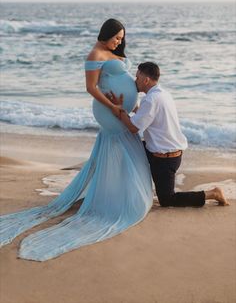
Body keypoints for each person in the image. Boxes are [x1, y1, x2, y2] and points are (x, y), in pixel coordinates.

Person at [0, 19, 153, 261]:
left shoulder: (112, 52)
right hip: (108, 111)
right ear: (106, 34)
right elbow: (91, 88)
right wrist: (114, 106)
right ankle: (119, 198)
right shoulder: (95, 54)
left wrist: (133, 103)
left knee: (126, 150)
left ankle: (119, 193)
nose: (120, 41)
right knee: (123, 149)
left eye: (122, 38)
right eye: (117, 37)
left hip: (120, 110)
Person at [108, 61, 229, 207]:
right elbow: (147, 116)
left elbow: (134, 128)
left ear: (146, 80)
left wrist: (119, 110)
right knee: (126, 149)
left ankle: (212, 193)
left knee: (167, 200)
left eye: (137, 77)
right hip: (160, 150)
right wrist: (130, 107)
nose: (135, 81)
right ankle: (132, 192)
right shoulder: (162, 94)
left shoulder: (151, 99)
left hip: (164, 158)